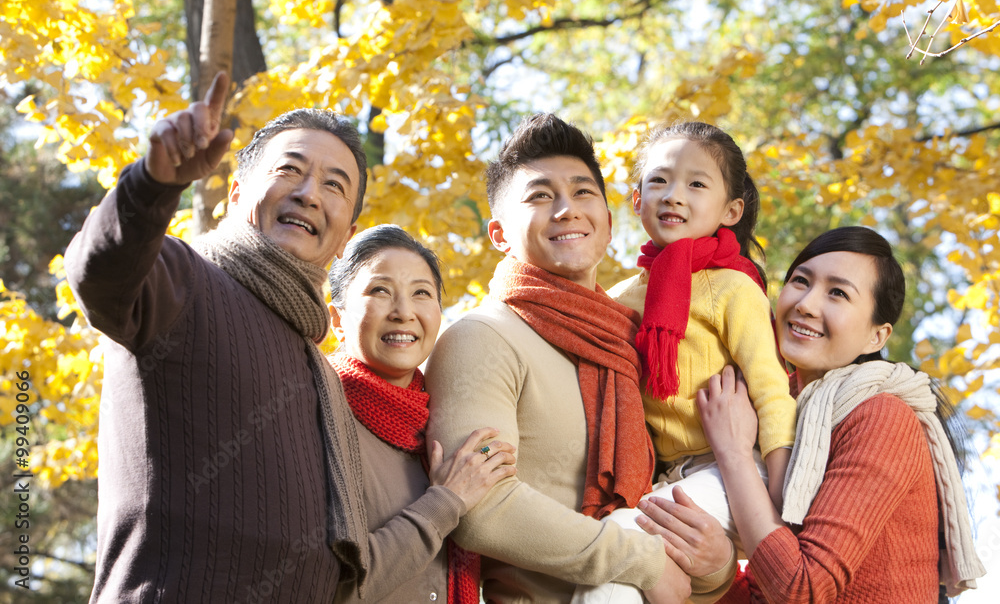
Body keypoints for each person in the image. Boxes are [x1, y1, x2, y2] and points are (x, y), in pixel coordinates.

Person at [65, 73, 373, 602]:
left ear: (346, 238)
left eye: (334, 185)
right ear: (235, 193)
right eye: (289, 170)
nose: (308, 194)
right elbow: (102, 274)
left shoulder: (322, 366)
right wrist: (152, 183)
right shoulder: (183, 276)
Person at [424, 113, 737, 604]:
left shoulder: (635, 340)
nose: (567, 209)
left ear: (610, 224)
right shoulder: (481, 337)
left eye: (583, 192)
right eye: (540, 195)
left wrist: (716, 566)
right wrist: (640, 559)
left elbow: (669, 509)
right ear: (500, 234)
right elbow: (482, 509)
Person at [696, 226, 987, 602]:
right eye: (800, 280)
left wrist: (733, 453)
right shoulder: (780, 416)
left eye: (838, 292)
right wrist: (719, 568)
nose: (806, 303)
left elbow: (803, 588)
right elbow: (763, 591)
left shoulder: (881, 416)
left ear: (876, 337)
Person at [573, 122, 796, 604]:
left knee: (618, 544)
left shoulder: (733, 288)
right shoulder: (618, 299)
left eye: (697, 183)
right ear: (636, 200)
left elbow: (771, 391)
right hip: (664, 476)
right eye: (659, 180)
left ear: (731, 210)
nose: (675, 195)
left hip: (733, 474)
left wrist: (782, 504)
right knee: (624, 574)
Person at [326, 224, 517, 602]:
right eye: (380, 291)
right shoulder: (318, 414)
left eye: (421, 293)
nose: (404, 312)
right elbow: (332, 585)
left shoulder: (445, 417)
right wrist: (447, 500)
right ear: (336, 318)